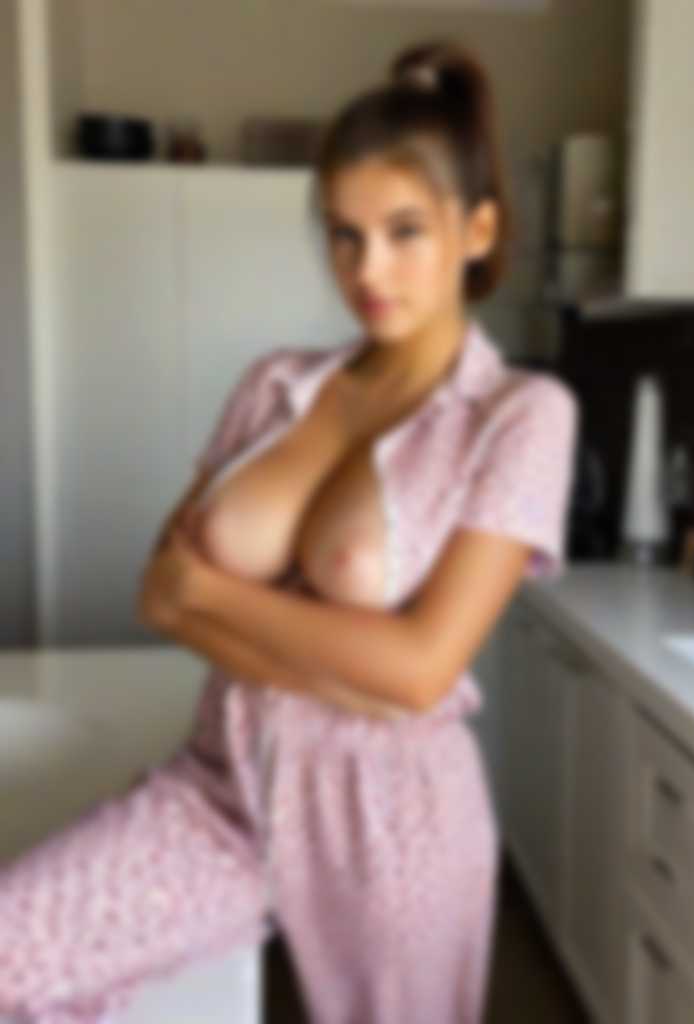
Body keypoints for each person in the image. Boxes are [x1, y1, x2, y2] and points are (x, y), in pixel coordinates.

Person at [0, 37, 579, 1024]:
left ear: (477, 229)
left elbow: (419, 672)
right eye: (344, 235)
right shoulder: (275, 385)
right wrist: (344, 664)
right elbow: (157, 593)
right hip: (221, 786)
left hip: (391, 822)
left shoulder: (519, 415)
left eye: (403, 231)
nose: (368, 269)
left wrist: (215, 598)